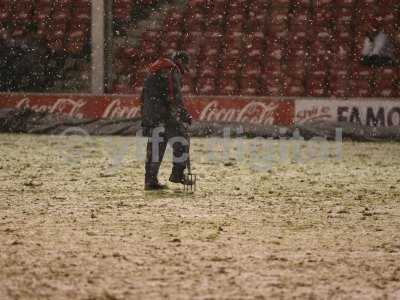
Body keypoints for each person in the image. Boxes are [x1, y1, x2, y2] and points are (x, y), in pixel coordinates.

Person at [140, 51, 193, 190]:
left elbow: (144, 96)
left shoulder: (156, 68)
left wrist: (147, 117)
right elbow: (174, 95)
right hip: (165, 114)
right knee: (182, 141)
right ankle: (177, 174)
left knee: (156, 147)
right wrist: (184, 115)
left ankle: (150, 181)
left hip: (151, 114)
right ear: (181, 62)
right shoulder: (171, 70)